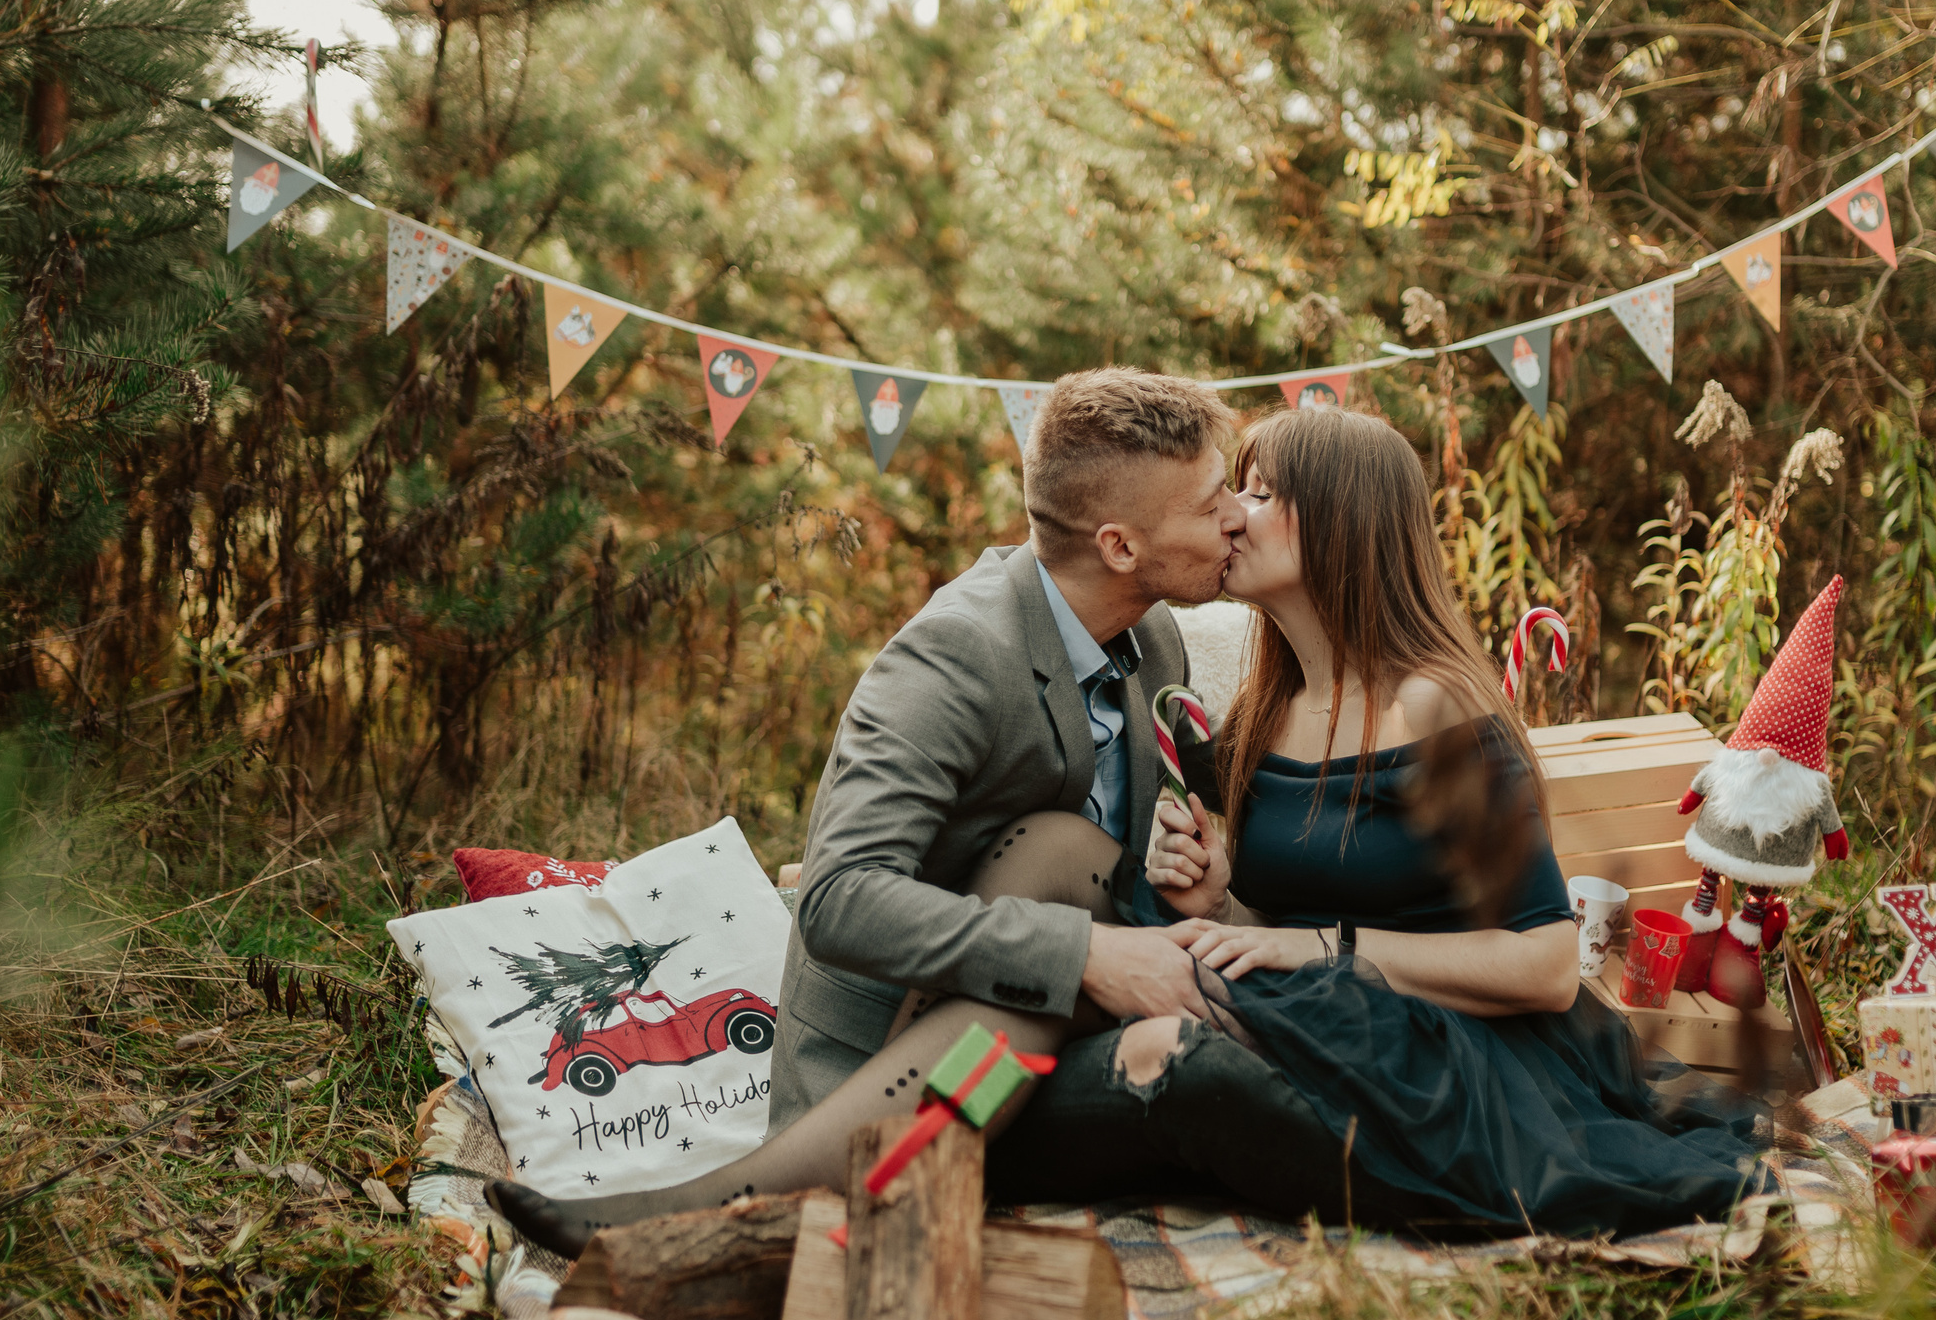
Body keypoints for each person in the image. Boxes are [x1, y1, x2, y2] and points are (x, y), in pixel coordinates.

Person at [487, 367, 1247, 1253]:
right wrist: (1086, 952)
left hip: (1030, 1029)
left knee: (1057, 848)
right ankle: (729, 1207)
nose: (1236, 513)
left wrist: (1182, 891)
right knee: (1048, 884)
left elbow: (1114, 876)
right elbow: (839, 896)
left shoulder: (1152, 636)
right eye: (1212, 500)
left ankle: (741, 1203)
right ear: (1118, 545)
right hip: (906, 1053)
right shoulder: (956, 654)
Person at [984, 405, 1768, 1236]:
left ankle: (930, 1145)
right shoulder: (1266, 709)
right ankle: (933, 1125)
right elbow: (1287, 919)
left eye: (1257, 492)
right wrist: (1223, 903)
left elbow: (1543, 962)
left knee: (1168, 1061)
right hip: (1321, 1027)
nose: (1229, 515)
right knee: (1122, 996)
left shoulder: (1432, 706)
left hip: (1443, 1070)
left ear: (1339, 522)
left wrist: (1326, 945)